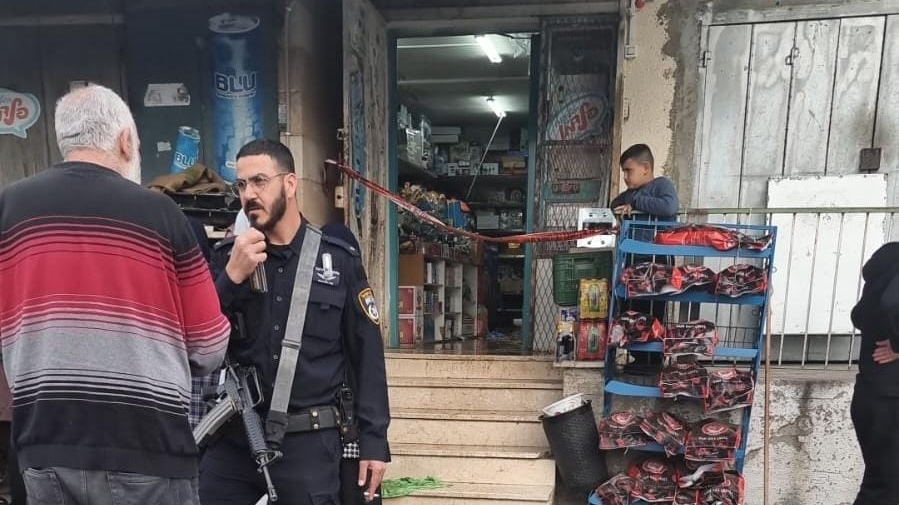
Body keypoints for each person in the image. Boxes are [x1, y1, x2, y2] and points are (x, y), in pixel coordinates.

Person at [0, 85, 230, 504]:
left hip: (44, 450)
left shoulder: (10, 210)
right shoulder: (161, 214)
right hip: (149, 451)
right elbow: (208, 346)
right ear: (126, 141)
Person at [200, 139, 390, 505]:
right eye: (241, 185)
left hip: (309, 443)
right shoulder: (227, 258)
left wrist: (374, 440)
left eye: (259, 181)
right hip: (237, 435)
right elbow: (199, 338)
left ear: (289, 184)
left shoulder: (338, 260)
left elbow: (367, 356)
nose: (249, 194)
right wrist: (231, 279)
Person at [610, 144, 679, 373]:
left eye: (629, 171)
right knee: (632, 310)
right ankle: (638, 357)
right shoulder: (630, 193)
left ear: (646, 168)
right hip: (634, 262)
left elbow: (669, 206)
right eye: (623, 171)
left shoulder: (661, 185)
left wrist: (638, 204)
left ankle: (653, 359)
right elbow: (614, 205)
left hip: (658, 262)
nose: (625, 176)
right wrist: (626, 206)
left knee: (653, 309)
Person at [849, 242, 899, 505]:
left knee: (883, 485)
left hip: (873, 393)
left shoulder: (890, 256)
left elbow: (860, 315)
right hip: (890, 398)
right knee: (886, 490)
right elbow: (893, 303)